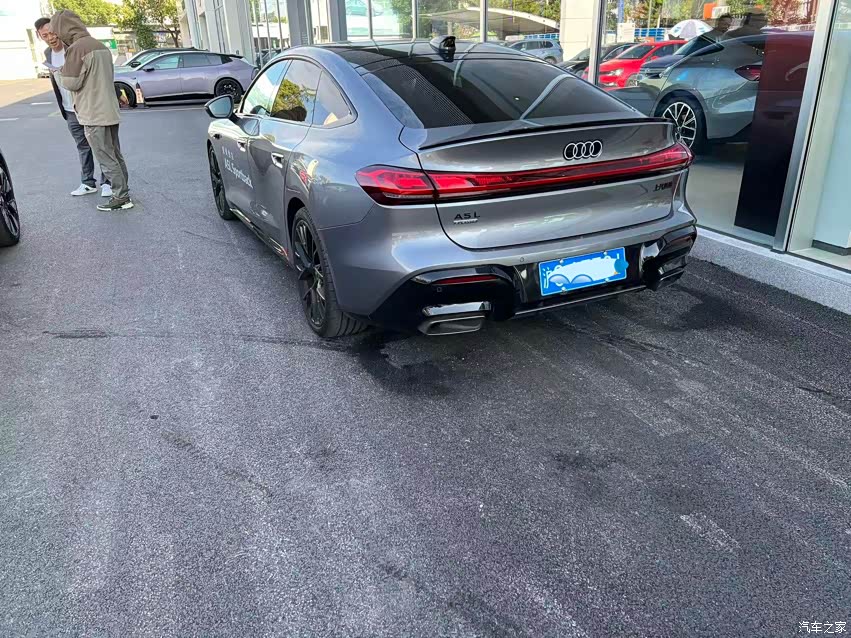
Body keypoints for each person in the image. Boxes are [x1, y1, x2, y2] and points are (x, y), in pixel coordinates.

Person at [50, 10, 133, 211]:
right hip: (109, 109)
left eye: (57, 31)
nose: (57, 36)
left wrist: (58, 73)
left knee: (105, 156)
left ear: (63, 28)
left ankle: (121, 197)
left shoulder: (77, 49)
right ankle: (124, 191)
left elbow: (71, 83)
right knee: (115, 154)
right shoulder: (100, 45)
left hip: (93, 112)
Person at [35, 17, 112, 199]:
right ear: (39, 36)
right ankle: (88, 182)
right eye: (45, 35)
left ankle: (108, 182)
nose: (51, 38)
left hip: (87, 106)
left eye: (52, 33)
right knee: (82, 146)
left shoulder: (74, 48)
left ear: (59, 30)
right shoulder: (47, 54)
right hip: (69, 109)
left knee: (101, 146)